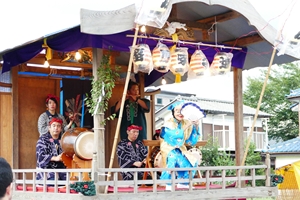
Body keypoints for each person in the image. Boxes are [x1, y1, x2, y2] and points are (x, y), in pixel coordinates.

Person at [160, 101, 201, 190]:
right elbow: (173, 138)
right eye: (177, 110)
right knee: (172, 158)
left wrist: (196, 127)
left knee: (192, 161)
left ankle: (184, 182)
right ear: (173, 113)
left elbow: (191, 142)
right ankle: (168, 184)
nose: (179, 113)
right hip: (168, 148)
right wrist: (186, 126)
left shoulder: (186, 122)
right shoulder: (168, 123)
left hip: (181, 149)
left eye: (181, 110)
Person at [36, 117, 66, 182]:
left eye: (58, 126)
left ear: (61, 129)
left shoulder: (64, 140)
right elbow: (40, 157)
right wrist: (55, 158)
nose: (56, 128)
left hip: (62, 171)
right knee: (53, 180)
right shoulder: (42, 140)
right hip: (46, 172)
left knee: (72, 182)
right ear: (49, 128)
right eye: (54, 126)